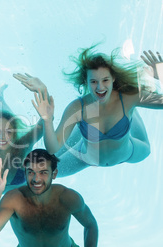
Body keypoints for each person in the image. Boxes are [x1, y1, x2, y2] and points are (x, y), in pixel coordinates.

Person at [19, 46, 163, 177]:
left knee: (147, 149)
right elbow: (52, 148)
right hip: (85, 157)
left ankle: (129, 113)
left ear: (113, 78)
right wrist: (47, 120)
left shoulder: (128, 98)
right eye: (94, 81)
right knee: (47, 171)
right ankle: (83, 126)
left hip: (129, 152)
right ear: (86, 82)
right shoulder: (77, 107)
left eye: (105, 80)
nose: (100, 88)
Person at [0, 149, 98, 247]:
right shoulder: (13, 200)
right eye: (31, 172)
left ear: (54, 174)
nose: (36, 179)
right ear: (25, 173)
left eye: (43, 172)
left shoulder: (68, 198)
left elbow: (91, 225)